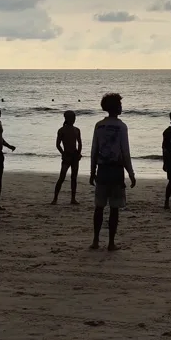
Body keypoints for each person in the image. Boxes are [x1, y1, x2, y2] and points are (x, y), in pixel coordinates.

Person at [90, 93, 136, 251]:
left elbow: (94, 150)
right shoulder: (121, 127)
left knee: (99, 206)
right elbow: (125, 152)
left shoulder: (99, 126)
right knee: (114, 208)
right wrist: (131, 173)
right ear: (116, 107)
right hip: (116, 170)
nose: (121, 107)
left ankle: (96, 240)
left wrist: (92, 171)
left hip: (102, 169)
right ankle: (111, 242)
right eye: (120, 105)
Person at [51, 110, 82, 205]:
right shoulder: (62, 130)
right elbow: (58, 144)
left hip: (74, 156)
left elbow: (80, 143)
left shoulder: (77, 130)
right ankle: (55, 198)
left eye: (74, 118)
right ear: (66, 119)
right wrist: (63, 153)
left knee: (74, 178)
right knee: (62, 177)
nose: (73, 120)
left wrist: (79, 153)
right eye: (72, 118)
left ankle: (73, 199)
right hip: (67, 156)